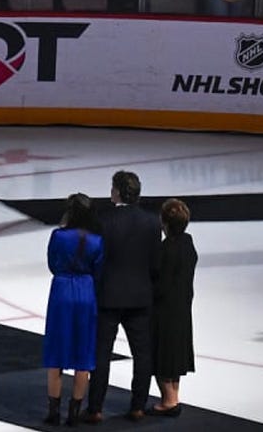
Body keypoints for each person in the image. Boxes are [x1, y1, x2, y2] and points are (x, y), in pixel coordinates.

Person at [86, 170, 161, 423]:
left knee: (101, 354)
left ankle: (95, 409)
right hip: (140, 296)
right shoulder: (152, 222)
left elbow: (96, 258)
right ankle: (138, 406)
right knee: (143, 354)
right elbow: (155, 262)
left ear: (116, 191)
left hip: (109, 296)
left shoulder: (103, 220)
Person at [42, 192, 103, 426]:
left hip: (61, 291)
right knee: (83, 355)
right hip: (86, 292)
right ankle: (74, 414)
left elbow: (52, 264)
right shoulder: (97, 241)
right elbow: (98, 270)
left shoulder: (58, 236)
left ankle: (53, 412)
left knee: (56, 352)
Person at [151, 198, 198, 417]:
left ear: (165, 223)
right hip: (182, 307)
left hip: (165, 309)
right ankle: (173, 396)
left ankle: (169, 401)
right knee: (176, 352)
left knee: (162, 354)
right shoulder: (188, 244)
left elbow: (160, 284)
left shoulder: (165, 249)